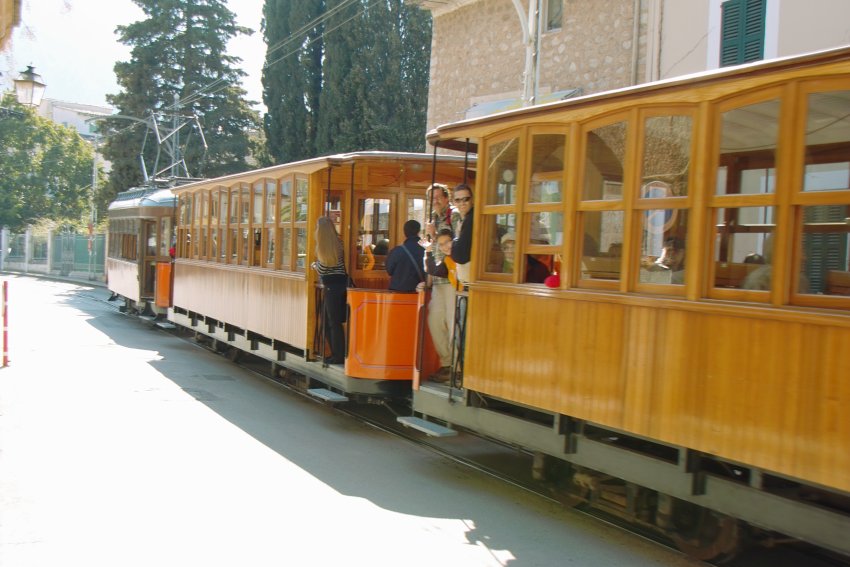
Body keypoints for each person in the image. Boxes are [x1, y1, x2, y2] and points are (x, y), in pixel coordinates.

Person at [423, 228, 460, 382]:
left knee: (454, 326)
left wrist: (429, 253)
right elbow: (435, 270)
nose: (445, 246)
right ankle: (447, 363)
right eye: (442, 244)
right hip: (439, 286)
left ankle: (457, 368)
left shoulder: (455, 256)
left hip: (455, 288)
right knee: (434, 321)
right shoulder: (446, 258)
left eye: (447, 242)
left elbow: (437, 270)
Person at [311, 216, 348, 365]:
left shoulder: (321, 247)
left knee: (331, 322)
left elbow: (323, 269)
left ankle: (337, 355)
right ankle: (337, 353)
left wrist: (314, 265)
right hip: (341, 284)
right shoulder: (339, 243)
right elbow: (336, 264)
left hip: (330, 286)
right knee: (334, 322)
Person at [386, 220, 425, 292]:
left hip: (398, 291)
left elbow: (389, 271)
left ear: (404, 233)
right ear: (419, 232)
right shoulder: (426, 249)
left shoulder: (397, 251)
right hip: (420, 291)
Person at [450, 184, 474, 284]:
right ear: (454, 202)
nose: (462, 203)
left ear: (472, 199)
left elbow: (460, 256)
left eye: (466, 199)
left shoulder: (470, 219)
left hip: (473, 279)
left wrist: (456, 237)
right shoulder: (464, 219)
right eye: (458, 200)